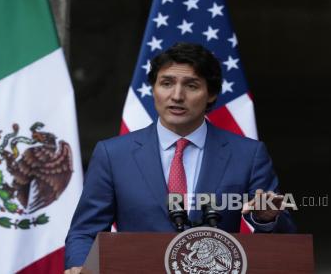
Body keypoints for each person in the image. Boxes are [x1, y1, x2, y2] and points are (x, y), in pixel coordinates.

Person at [64, 42, 296, 273]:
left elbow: (282, 235)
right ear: (153, 89)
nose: (177, 96)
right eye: (166, 83)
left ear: (211, 95)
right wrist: (80, 267)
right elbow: (85, 231)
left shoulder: (248, 154)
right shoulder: (113, 155)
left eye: (191, 86)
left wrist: (267, 217)